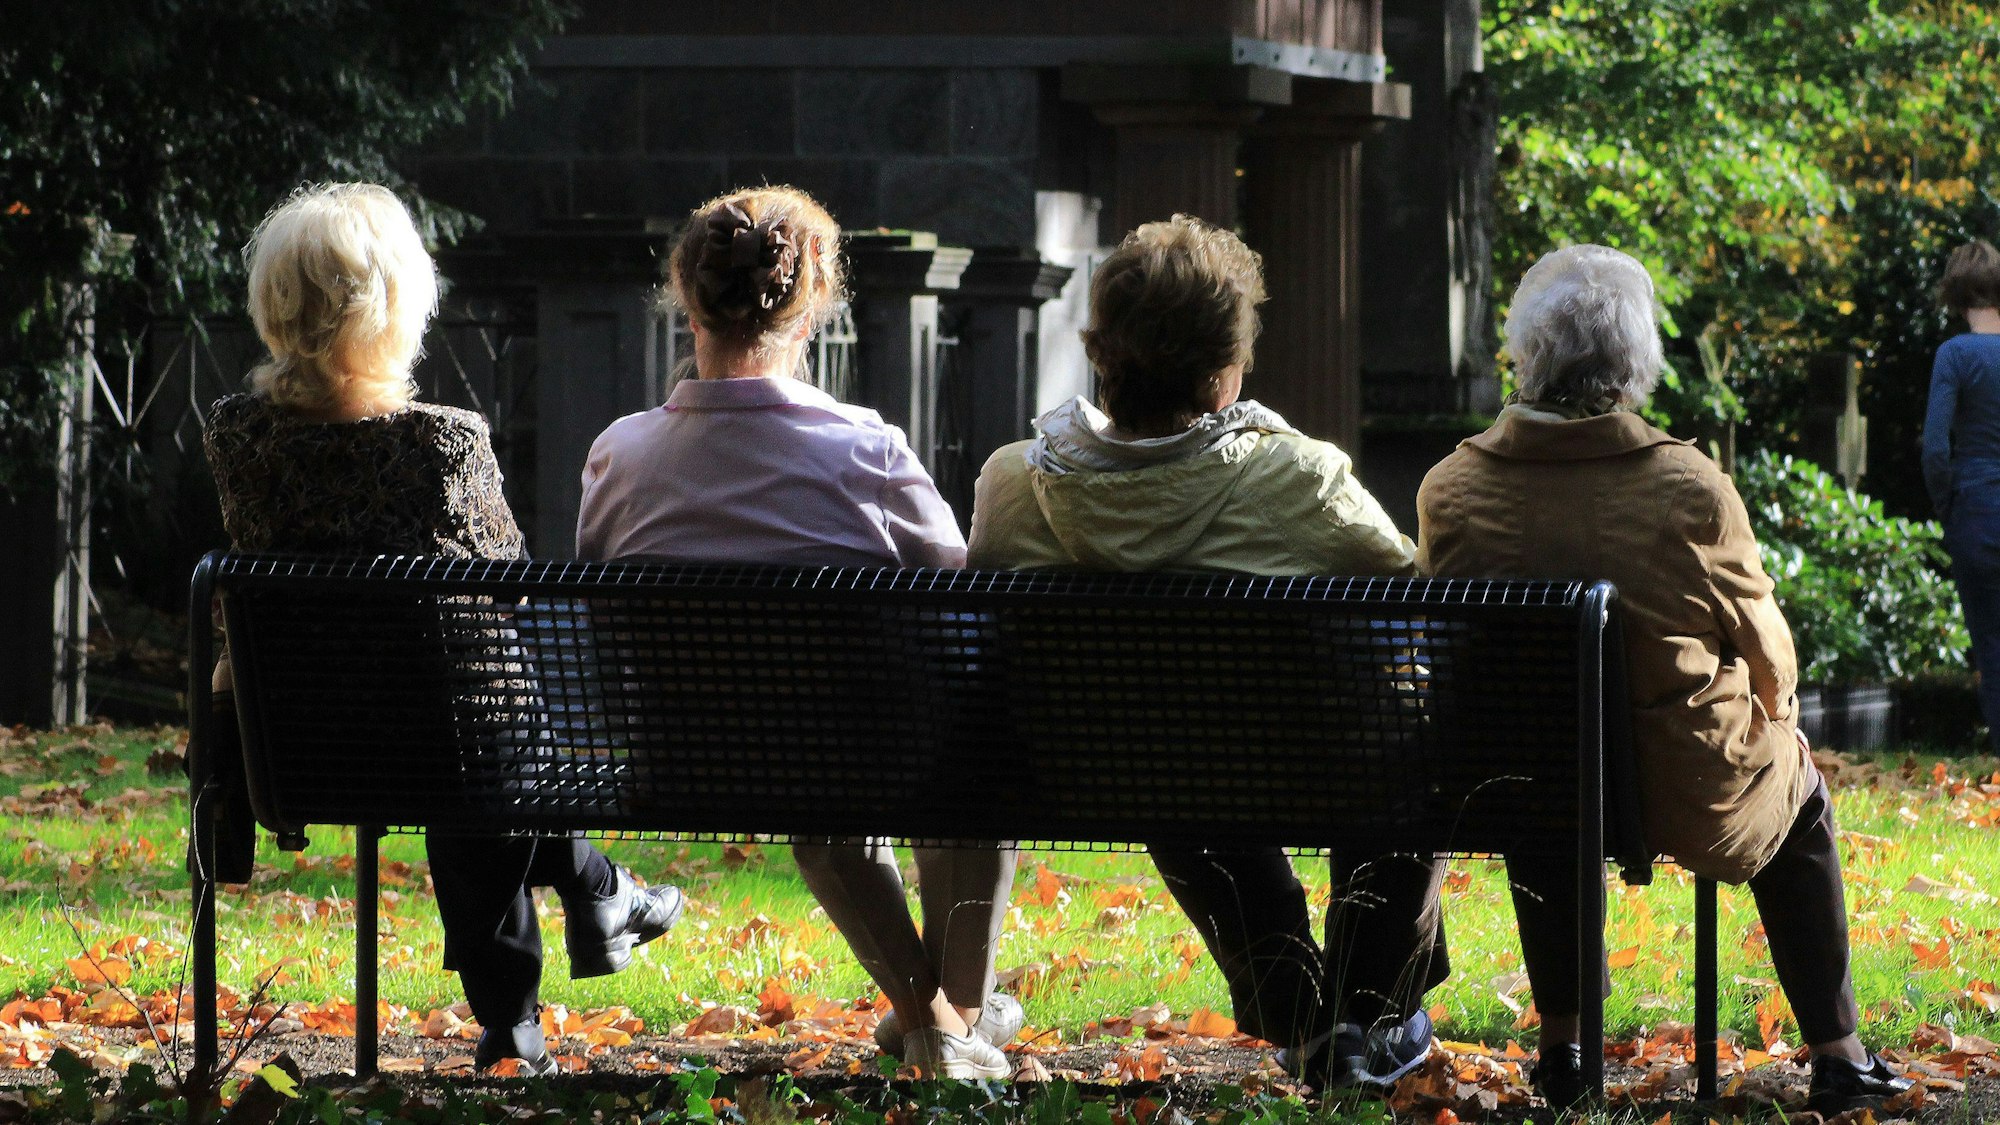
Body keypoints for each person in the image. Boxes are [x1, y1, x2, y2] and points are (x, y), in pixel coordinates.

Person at [1416, 244, 1914, 1113]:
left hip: (1522, 782)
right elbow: (1768, 650)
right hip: (1684, 785)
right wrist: (1778, 723)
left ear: (1526, 353)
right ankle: (1840, 1055)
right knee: (1800, 797)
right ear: (1636, 360)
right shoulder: (1689, 486)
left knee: (1548, 774)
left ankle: (1565, 1048)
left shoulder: (1453, 488)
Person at [202, 183, 684, 1076]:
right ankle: (576, 921)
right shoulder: (444, 443)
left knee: (466, 715)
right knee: (477, 707)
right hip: (455, 758)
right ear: (394, 307)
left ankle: (585, 914)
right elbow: (507, 582)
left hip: (301, 745)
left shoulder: (239, 438)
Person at [968, 215, 1445, 1090]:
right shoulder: (1295, 479)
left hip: (1112, 773)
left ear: (1100, 352)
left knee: (1169, 747)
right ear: (1223, 370)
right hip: (1303, 766)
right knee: (1401, 724)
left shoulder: (1013, 484)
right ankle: (1370, 1012)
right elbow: (1413, 593)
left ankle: (1306, 1014)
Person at [574, 186, 1019, 1081]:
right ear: (811, 307)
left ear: (689, 303)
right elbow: (961, 597)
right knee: (968, 759)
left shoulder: (619, 454)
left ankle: (938, 1023)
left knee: (827, 779)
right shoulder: (866, 450)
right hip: (855, 761)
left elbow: (597, 611)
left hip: (683, 760)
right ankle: (951, 1022)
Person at [1923, 239, 2000, 751]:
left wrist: (1946, 504)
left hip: (1976, 509)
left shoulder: (1955, 355)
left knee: (1992, 644)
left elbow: (1935, 448)